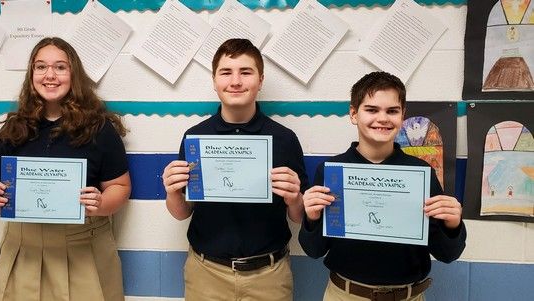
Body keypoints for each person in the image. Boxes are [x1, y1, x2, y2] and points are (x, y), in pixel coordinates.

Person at [0, 37, 131, 301]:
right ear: (31, 75)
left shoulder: (100, 129)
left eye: (60, 67)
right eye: (41, 67)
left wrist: (100, 203)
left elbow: (120, 187)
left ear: (73, 73)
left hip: (82, 248)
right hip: (22, 249)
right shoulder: (12, 130)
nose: (50, 75)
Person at [298, 71, 466, 301]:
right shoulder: (331, 171)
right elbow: (314, 250)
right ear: (353, 114)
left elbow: (447, 254)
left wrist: (453, 225)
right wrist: (312, 219)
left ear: (402, 115)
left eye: (392, 111)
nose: (383, 118)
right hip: (345, 295)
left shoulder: (421, 173)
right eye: (372, 109)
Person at [162, 38, 308, 300]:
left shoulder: (284, 139)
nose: (236, 81)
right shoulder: (196, 138)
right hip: (206, 274)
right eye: (226, 72)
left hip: (269, 275)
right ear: (215, 80)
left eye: (246, 72)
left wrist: (296, 198)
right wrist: (172, 191)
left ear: (260, 80)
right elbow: (182, 213)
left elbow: (298, 217)